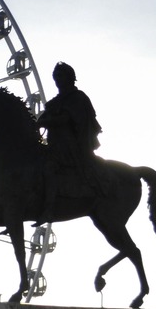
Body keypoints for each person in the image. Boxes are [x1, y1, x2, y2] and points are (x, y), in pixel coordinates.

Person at [35, 62, 103, 225]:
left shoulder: (78, 98)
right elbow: (44, 118)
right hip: (53, 144)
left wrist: (47, 121)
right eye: (55, 77)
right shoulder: (55, 102)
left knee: (50, 168)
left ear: (70, 78)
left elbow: (68, 119)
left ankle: (49, 210)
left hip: (70, 146)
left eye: (61, 76)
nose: (58, 80)